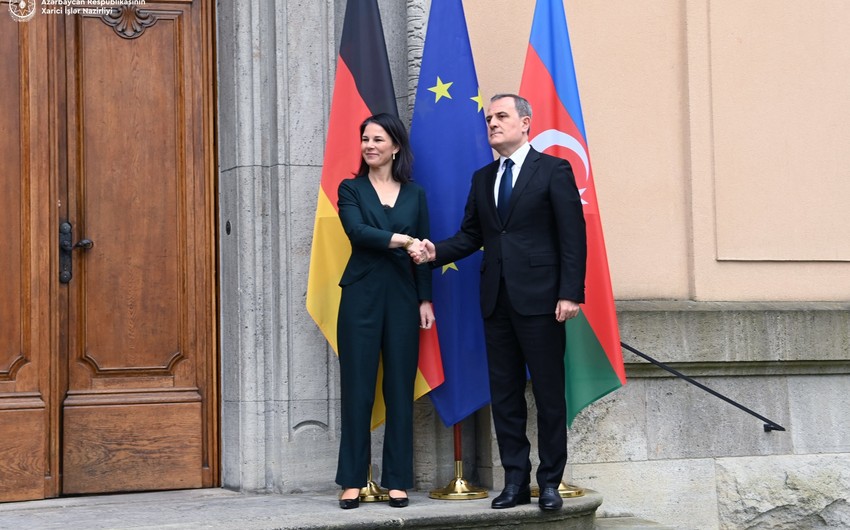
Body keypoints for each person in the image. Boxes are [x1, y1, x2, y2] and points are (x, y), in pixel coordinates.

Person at [415, 94, 586, 512]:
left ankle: (550, 482)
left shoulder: (554, 170)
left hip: (543, 302)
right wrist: (436, 251)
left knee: (548, 394)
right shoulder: (483, 178)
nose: (492, 123)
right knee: (505, 396)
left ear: (525, 123)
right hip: (496, 302)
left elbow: (573, 236)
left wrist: (570, 292)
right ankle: (514, 482)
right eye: (489, 118)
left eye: (501, 116)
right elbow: (471, 235)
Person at [334, 113, 434, 510]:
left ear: (395, 147)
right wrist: (405, 240)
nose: (369, 146)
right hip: (361, 296)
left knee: (399, 390)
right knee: (357, 389)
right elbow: (357, 232)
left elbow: (424, 251)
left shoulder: (416, 194)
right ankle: (352, 480)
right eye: (365, 139)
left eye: (377, 139)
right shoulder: (350, 188)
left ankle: (397, 480)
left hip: (403, 298)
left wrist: (425, 299)